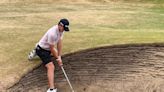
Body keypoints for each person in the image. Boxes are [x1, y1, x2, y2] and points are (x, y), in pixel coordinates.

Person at [28, 18, 70, 92]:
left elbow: (59, 42)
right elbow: (52, 48)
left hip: (47, 49)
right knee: (51, 67)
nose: (64, 30)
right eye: (63, 28)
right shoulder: (52, 33)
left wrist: (59, 56)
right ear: (60, 25)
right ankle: (51, 89)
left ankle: (36, 51)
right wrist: (57, 58)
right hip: (42, 50)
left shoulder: (61, 30)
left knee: (56, 55)